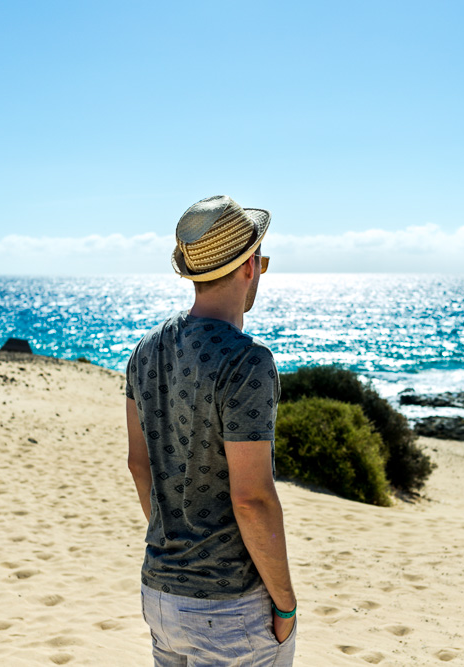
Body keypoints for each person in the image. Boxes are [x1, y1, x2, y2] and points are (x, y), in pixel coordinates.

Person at [126, 195, 297, 666]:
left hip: (160, 591)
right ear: (249, 267)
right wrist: (286, 603)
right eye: (261, 258)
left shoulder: (145, 351)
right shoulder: (247, 361)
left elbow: (138, 465)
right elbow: (252, 499)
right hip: (230, 610)